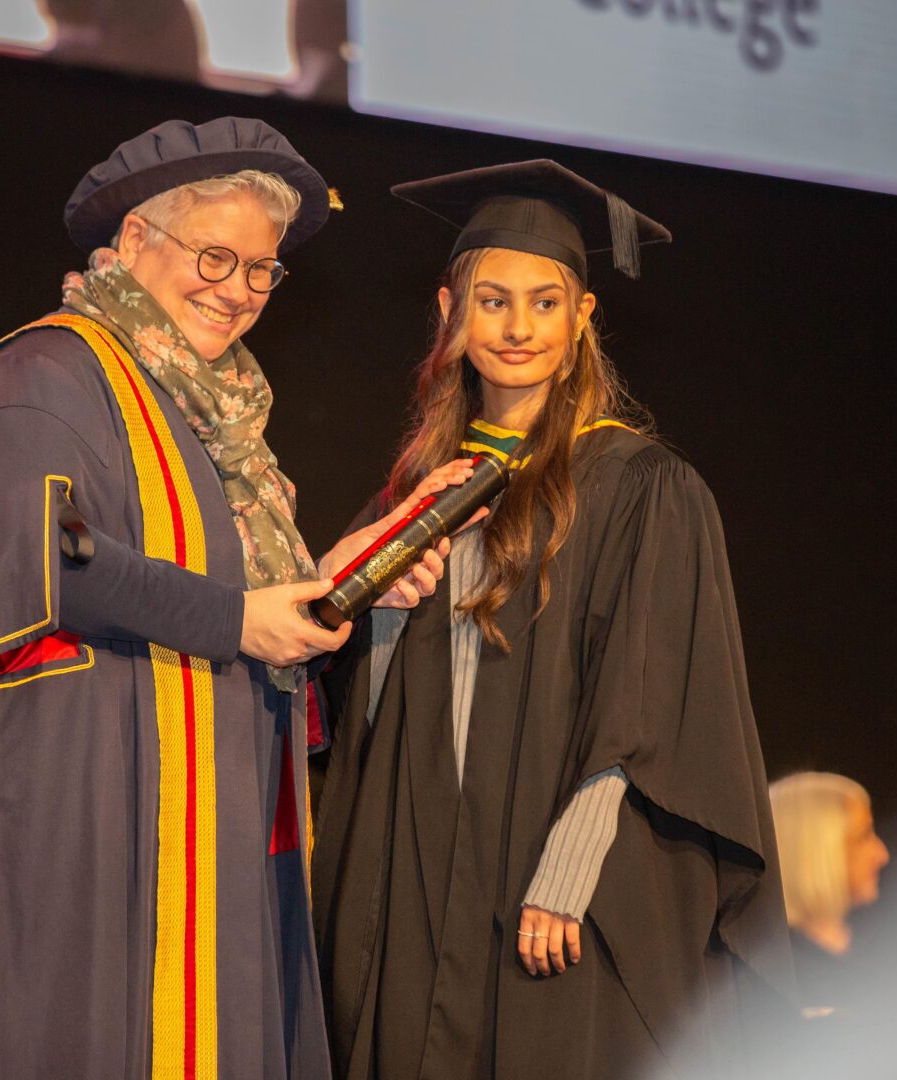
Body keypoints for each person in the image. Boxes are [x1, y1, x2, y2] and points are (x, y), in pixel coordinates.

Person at [0, 116, 464, 1080]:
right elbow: (44, 555)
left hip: (207, 814)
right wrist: (236, 619)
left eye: (261, 270)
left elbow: (229, 595)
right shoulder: (44, 378)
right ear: (135, 239)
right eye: (214, 256)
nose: (237, 291)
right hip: (92, 815)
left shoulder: (210, 413)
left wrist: (340, 580)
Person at [311, 160, 793, 1080]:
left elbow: (647, 711)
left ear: (581, 321)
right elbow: (359, 704)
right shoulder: (409, 494)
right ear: (450, 310)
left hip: (548, 889)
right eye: (493, 300)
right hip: (413, 877)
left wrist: (570, 881)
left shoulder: (641, 489)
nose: (518, 327)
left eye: (544, 301)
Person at [767, 771, 889, 1014]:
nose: (882, 854)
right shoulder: (774, 976)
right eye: (863, 836)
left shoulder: (888, 947)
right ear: (813, 851)